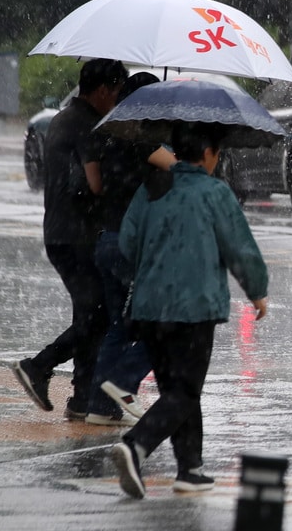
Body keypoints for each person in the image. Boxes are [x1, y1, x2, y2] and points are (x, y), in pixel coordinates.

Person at [111, 123, 269, 498]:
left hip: (151, 308)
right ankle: (136, 445)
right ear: (210, 153)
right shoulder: (215, 192)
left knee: (175, 390)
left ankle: (190, 468)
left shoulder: (151, 188)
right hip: (194, 309)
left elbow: (128, 243)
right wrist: (257, 291)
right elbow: (239, 248)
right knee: (185, 391)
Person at [13, 58, 128, 419]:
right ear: (103, 90)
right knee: (98, 315)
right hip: (76, 234)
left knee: (89, 312)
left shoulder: (66, 117)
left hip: (62, 232)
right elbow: (93, 184)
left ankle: (81, 399)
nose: (118, 99)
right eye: (117, 92)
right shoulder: (87, 125)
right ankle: (39, 366)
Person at [84, 72, 176, 427]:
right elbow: (183, 171)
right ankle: (124, 382)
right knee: (166, 320)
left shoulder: (110, 133)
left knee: (119, 327)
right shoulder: (140, 138)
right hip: (132, 244)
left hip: (107, 240)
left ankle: (100, 406)